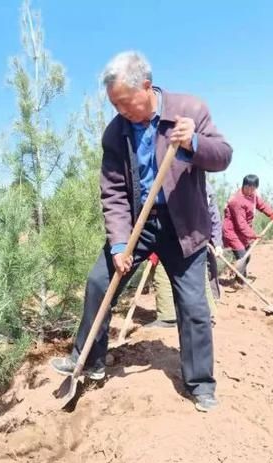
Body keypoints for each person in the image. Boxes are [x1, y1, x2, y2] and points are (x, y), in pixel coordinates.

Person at [49, 51, 232, 412]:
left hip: (184, 224)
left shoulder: (188, 110)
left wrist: (194, 143)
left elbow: (223, 156)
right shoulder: (116, 133)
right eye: (113, 104)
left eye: (124, 102)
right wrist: (119, 243)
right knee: (100, 281)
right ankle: (89, 361)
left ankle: (200, 384)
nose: (119, 110)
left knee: (193, 305)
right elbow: (113, 190)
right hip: (138, 224)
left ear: (146, 87)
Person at [147, 181, 223, 327]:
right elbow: (214, 217)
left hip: (179, 236)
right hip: (195, 236)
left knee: (163, 271)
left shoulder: (179, 183)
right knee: (197, 274)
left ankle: (168, 317)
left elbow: (213, 216)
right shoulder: (204, 185)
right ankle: (206, 315)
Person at [222, 174, 273, 278]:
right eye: (249, 188)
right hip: (232, 232)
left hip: (242, 232)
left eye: (254, 189)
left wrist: (271, 214)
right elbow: (241, 223)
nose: (251, 191)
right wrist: (253, 235)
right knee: (243, 256)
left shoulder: (253, 195)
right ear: (244, 186)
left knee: (247, 257)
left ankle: (234, 270)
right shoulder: (236, 200)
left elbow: (261, 204)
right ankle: (241, 282)